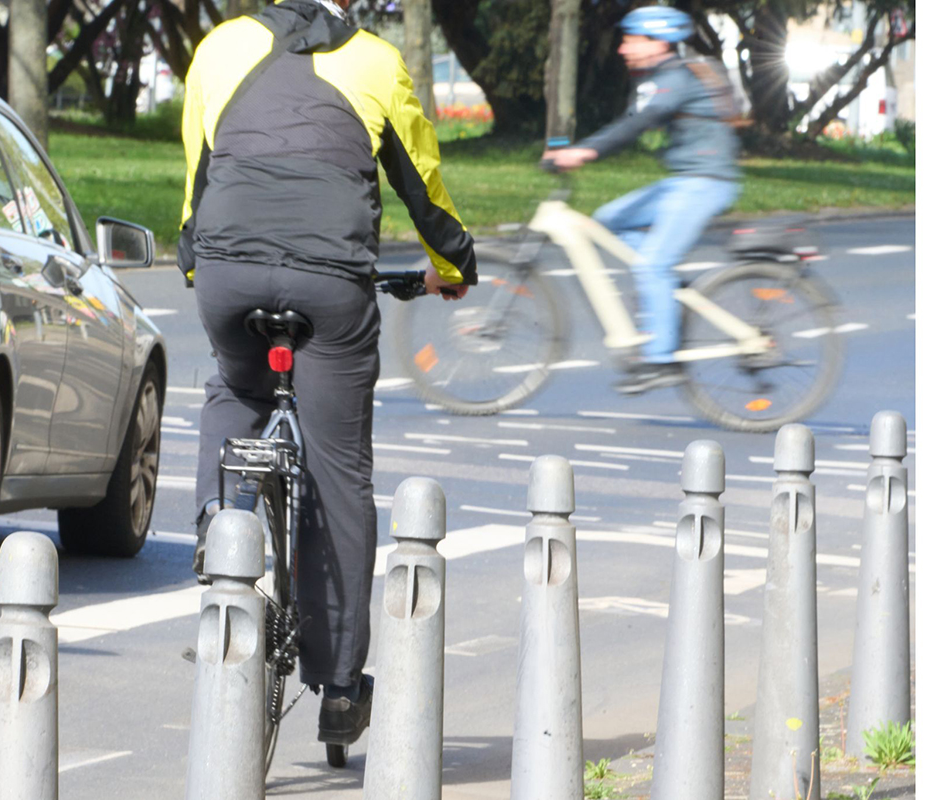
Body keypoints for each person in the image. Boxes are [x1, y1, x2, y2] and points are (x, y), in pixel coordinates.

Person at [179, 0, 475, 748]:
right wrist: (451, 266)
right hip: (331, 284)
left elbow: (198, 176)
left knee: (236, 389)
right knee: (339, 468)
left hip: (229, 276)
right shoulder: (377, 61)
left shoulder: (220, 47)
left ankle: (221, 546)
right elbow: (421, 182)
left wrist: (195, 261)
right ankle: (340, 687)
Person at [543, 5, 741, 394]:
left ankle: (660, 360)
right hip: (686, 180)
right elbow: (630, 120)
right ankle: (664, 287)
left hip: (706, 182)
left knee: (652, 263)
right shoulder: (660, 78)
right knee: (606, 220)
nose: (622, 49)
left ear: (658, 42)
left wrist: (583, 152)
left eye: (631, 40)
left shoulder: (675, 78)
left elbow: (637, 124)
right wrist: (582, 147)